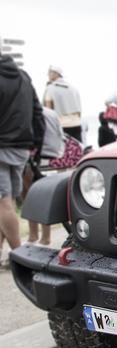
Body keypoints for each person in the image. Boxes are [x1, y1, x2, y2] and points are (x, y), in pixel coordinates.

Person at [0, 54, 45, 264]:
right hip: (21, 149)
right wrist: (37, 145)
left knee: (4, 204)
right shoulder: (23, 76)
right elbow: (38, 113)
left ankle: (18, 255)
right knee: (7, 203)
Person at [24, 106, 64, 246]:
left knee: (31, 196)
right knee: (45, 196)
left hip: (37, 156)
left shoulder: (31, 112)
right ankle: (42, 237)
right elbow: (60, 134)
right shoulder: (52, 113)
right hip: (54, 157)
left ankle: (35, 237)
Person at [44, 65, 82, 142]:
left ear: (55, 74)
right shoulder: (73, 88)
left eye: (49, 73)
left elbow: (48, 111)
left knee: (62, 152)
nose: (48, 75)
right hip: (76, 124)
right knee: (77, 150)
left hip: (61, 126)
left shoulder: (50, 88)